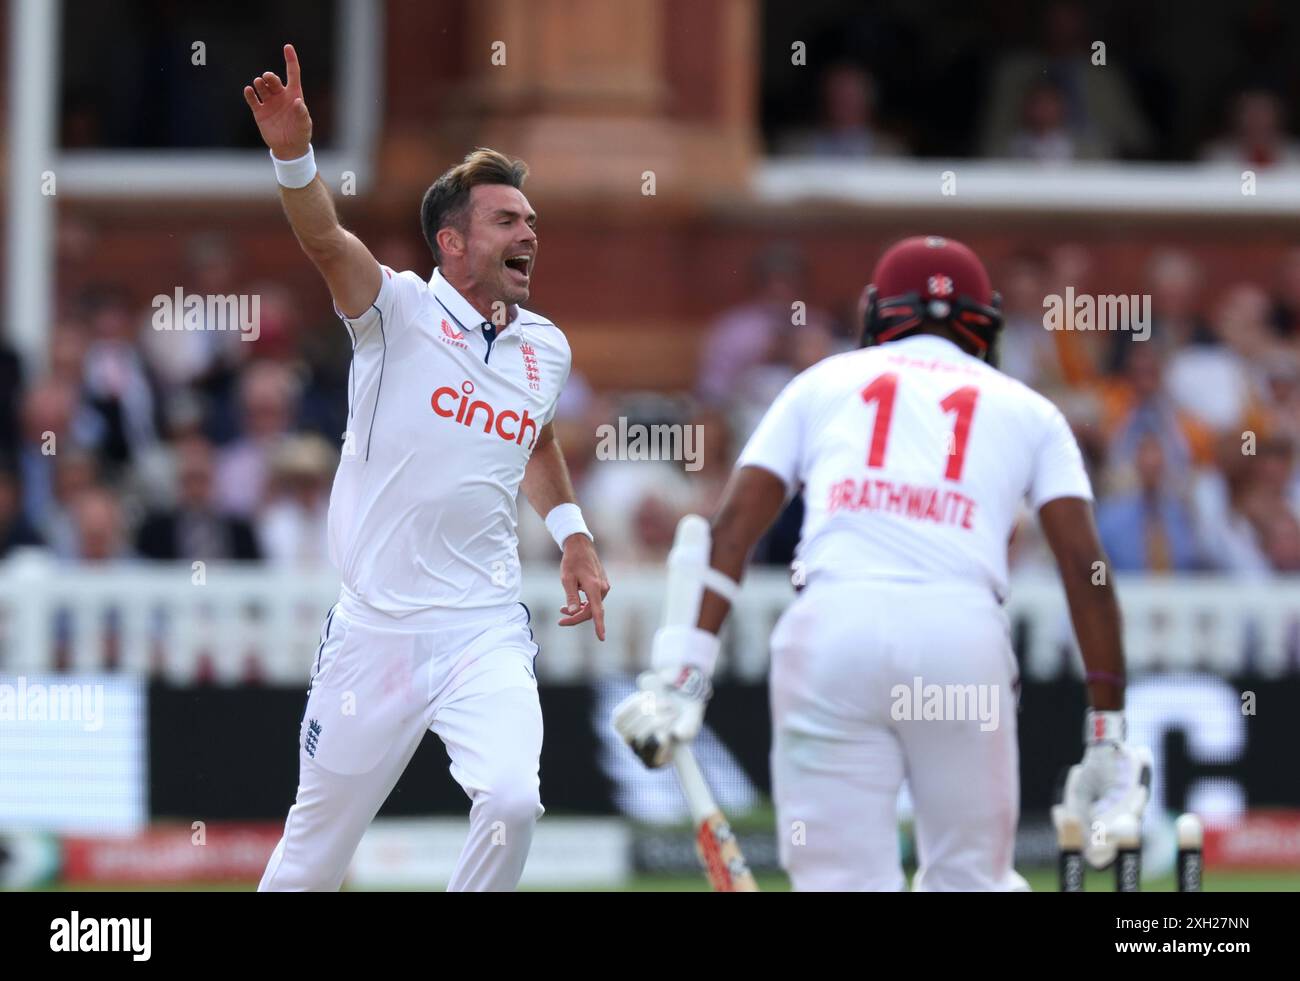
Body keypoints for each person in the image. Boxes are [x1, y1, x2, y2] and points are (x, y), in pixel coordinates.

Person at [615, 236, 1149, 890]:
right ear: (984, 318)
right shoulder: (1031, 409)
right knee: (971, 879)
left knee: (838, 881)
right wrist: (1107, 731)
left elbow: (731, 531)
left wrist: (686, 672)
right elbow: (1086, 571)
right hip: (960, 637)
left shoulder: (821, 382)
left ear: (878, 310)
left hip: (831, 635)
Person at [243, 45, 609, 892]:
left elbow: (536, 440)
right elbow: (326, 238)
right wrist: (293, 154)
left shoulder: (544, 347)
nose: (530, 234)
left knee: (513, 801)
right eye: (507, 221)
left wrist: (576, 537)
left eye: (531, 221)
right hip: (374, 632)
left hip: (482, 624)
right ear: (452, 243)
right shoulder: (396, 310)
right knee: (312, 857)